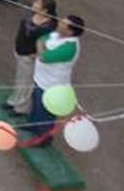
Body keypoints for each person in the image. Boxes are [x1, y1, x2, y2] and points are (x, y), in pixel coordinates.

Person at [26, 14, 84, 145]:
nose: (59, 23)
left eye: (63, 23)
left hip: (51, 86)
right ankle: (33, 126)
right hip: (41, 79)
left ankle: (44, 138)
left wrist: (41, 48)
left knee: (46, 112)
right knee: (36, 106)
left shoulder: (70, 48)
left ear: (70, 31)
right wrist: (42, 48)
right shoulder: (57, 35)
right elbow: (41, 39)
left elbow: (43, 57)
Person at [7, 0, 57, 115]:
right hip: (20, 51)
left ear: (45, 10)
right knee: (20, 79)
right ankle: (14, 100)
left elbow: (47, 44)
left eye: (38, 3)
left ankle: (21, 108)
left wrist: (35, 55)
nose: (34, 4)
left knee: (26, 83)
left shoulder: (48, 27)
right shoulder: (31, 15)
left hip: (29, 57)